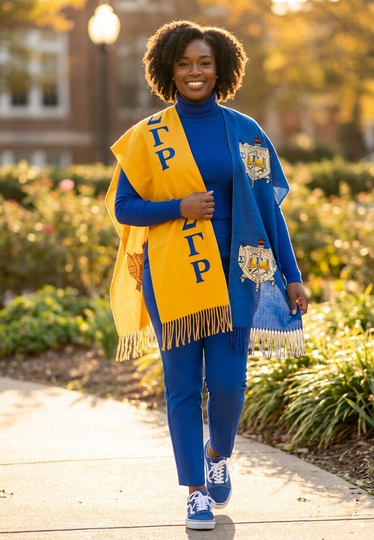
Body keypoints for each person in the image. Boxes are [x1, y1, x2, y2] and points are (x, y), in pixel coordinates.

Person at [106, 20, 309, 531]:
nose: (194, 72)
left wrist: (291, 275)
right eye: (184, 63)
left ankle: (217, 452)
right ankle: (195, 489)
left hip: (238, 269)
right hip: (174, 271)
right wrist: (180, 206)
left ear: (221, 69)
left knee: (228, 383)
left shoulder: (247, 132)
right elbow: (125, 208)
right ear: (166, 70)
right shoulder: (148, 138)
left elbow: (269, 211)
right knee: (180, 385)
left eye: (204, 63)